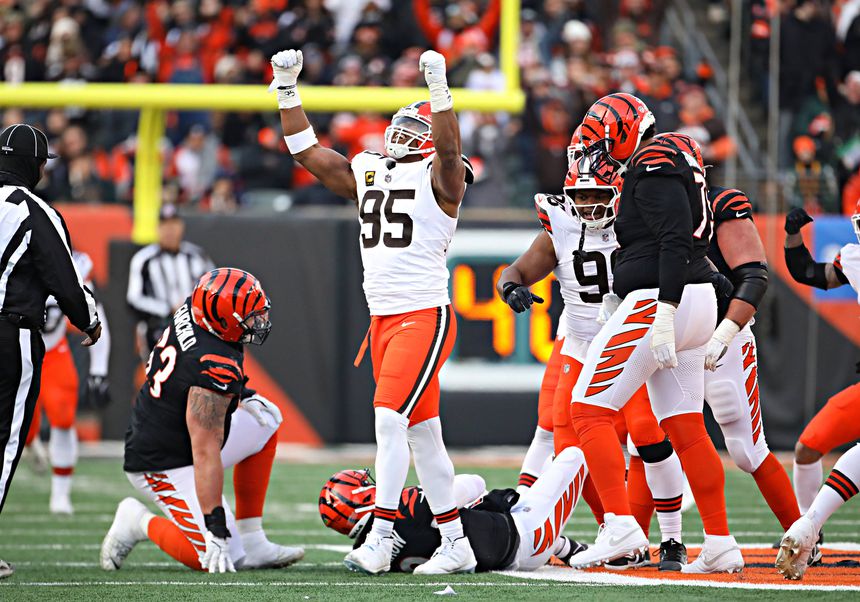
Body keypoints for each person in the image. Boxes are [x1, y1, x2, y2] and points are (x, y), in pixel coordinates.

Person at [271, 47, 476, 575]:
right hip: (384, 320)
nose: (403, 132)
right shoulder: (368, 170)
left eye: (416, 126)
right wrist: (286, 86)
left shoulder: (443, 177)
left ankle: (382, 536)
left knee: (389, 420)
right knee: (423, 435)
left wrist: (439, 91)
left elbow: (451, 154)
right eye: (401, 124)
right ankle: (455, 542)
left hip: (422, 316)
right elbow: (306, 152)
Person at [564, 94, 742, 574]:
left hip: (663, 300)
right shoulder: (671, 155)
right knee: (684, 426)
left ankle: (620, 526)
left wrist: (664, 310)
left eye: (602, 137)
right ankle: (721, 540)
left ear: (625, 130)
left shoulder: (653, 159)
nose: (596, 148)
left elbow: (675, 238)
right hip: (694, 298)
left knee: (588, 409)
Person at [497, 159, 687, 572]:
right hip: (582, 342)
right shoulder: (561, 226)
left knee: (646, 435)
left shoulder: (636, 223)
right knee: (568, 445)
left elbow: (677, 253)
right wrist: (510, 287)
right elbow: (518, 268)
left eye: (599, 195)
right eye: (582, 195)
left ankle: (672, 537)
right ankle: (618, 534)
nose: (590, 204)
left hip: (627, 340)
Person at [100, 268, 303, 573]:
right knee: (216, 557)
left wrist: (241, 392)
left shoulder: (198, 310)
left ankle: (253, 539)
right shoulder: (212, 364)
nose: (257, 322)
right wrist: (215, 526)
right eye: (248, 317)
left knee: (264, 423)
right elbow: (205, 450)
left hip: (180, 428)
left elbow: (192, 368)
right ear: (222, 320)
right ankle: (137, 521)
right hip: (162, 460)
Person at [657, 133, 803, 541]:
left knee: (744, 447)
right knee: (646, 438)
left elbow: (754, 275)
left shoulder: (723, 205)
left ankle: (801, 535)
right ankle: (647, 542)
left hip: (719, 334)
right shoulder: (644, 207)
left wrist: (726, 330)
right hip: (668, 333)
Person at [0, 122, 102, 579]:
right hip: (10, 333)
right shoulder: (35, 210)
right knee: (5, 441)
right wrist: (89, 320)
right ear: (34, 164)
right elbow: (64, 280)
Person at [319, 445, 589, 573]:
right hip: (526, 536)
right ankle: (616, 524)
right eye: (366, 484)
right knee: (575, 455)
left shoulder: (364, 554)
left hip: (506, 555)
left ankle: (570, 549)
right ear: (359, 495)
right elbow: (474, 483)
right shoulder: (408, 504)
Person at [776, 202, 860, 580]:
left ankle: (808, 526)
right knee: (809, 445)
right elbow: (808, 272)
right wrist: (793, 234)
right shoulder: (855, 258)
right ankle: (812, 535)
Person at [23, 250, 111, 514]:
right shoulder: (14, 256)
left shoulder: (75, 266)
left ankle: (60, 494)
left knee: (63, 416)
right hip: (17, 348)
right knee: (17, 424)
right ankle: (30, 443)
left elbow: (95, 316)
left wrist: (98, 369)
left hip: (53, 352)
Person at [126, 204, 214, 359]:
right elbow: (134, 299)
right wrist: (167, 309)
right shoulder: (143, 259)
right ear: (157, 228)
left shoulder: (197, 256)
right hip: (159, 329)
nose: (170, 230)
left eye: (173, 225)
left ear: (181, 226)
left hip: (195, 327)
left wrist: (191, 306)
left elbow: (213, 290)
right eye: (165, 225)